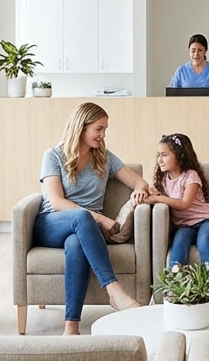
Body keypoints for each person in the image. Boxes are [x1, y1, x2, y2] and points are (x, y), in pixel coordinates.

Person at [35, 102, 148, 335]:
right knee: (82, 217)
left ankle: (71, 327)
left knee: (76, 244)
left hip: (83, 231)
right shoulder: (53, 155)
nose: (103, 134)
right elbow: (56, 201)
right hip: (52, 223)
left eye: (105, 129)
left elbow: (138, 180)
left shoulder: (104, 158)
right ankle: (114, 289)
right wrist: (101, 219)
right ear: (81, 127)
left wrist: (139, 188)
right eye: (99, 128)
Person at [142, 133, 209, 269]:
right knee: (179, 242)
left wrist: (158, 198)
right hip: (184, 226)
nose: (159, 160)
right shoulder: (163, 180)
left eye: (164, 155)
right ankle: (175, 279)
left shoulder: (191, 176)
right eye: (158, 155)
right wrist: (152, 192)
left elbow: (184, 203)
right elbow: (163, 197)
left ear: (180, 156)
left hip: (206, 221)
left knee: (204, 242)